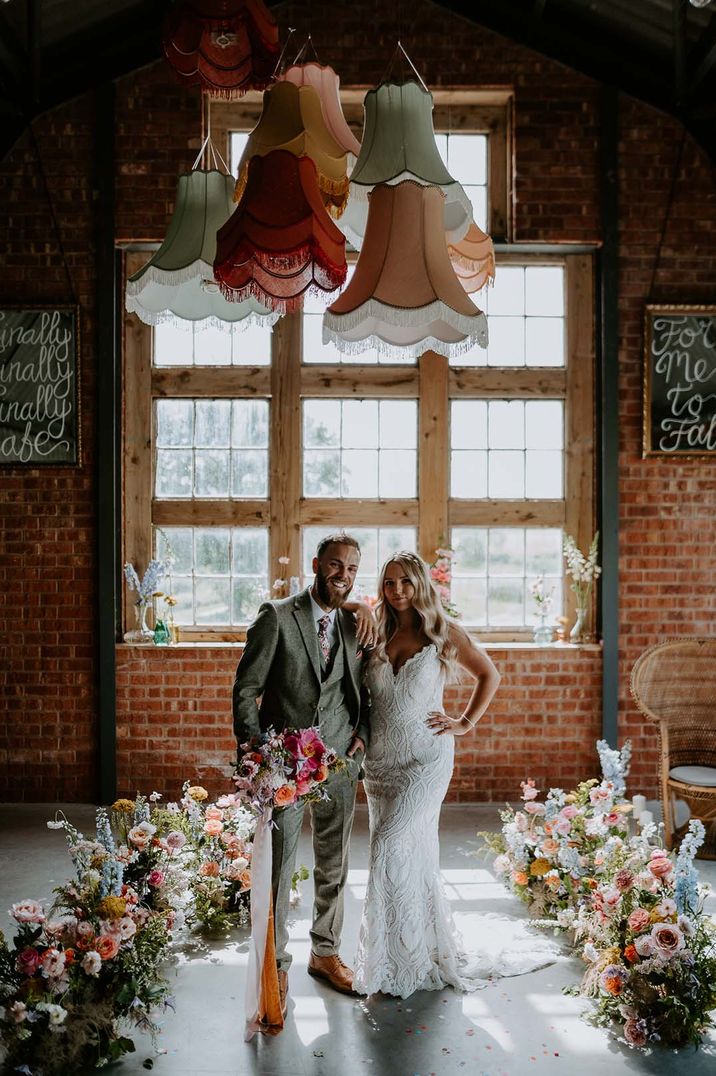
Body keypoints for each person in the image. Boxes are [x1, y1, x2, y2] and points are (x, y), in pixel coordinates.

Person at [353, 551, 556, 998]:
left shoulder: (444, 632)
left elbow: (490, 674)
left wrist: (464, 722)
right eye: (389, 583)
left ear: (422, 583)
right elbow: (363, 698)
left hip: (426, 760)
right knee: (409, 856)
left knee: (389, 846)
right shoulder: (374, 633)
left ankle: (396, 964)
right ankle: (409, 952)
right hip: (381, 766)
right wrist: (357, 606)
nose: (398, 590)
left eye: (406, 581)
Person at [233, 533, 374, 1016]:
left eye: (353, 569)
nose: (344, 575)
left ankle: (326, 952)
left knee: (334, 862)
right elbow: (246, 688)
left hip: (338, 764)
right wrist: (257, 756)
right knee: (279, 867)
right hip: (284, 769)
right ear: (316, 564)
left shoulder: (357, 625)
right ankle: (275, 966)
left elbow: (372, 687)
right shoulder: (277, 616)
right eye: (336, 565)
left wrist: (364, 736)